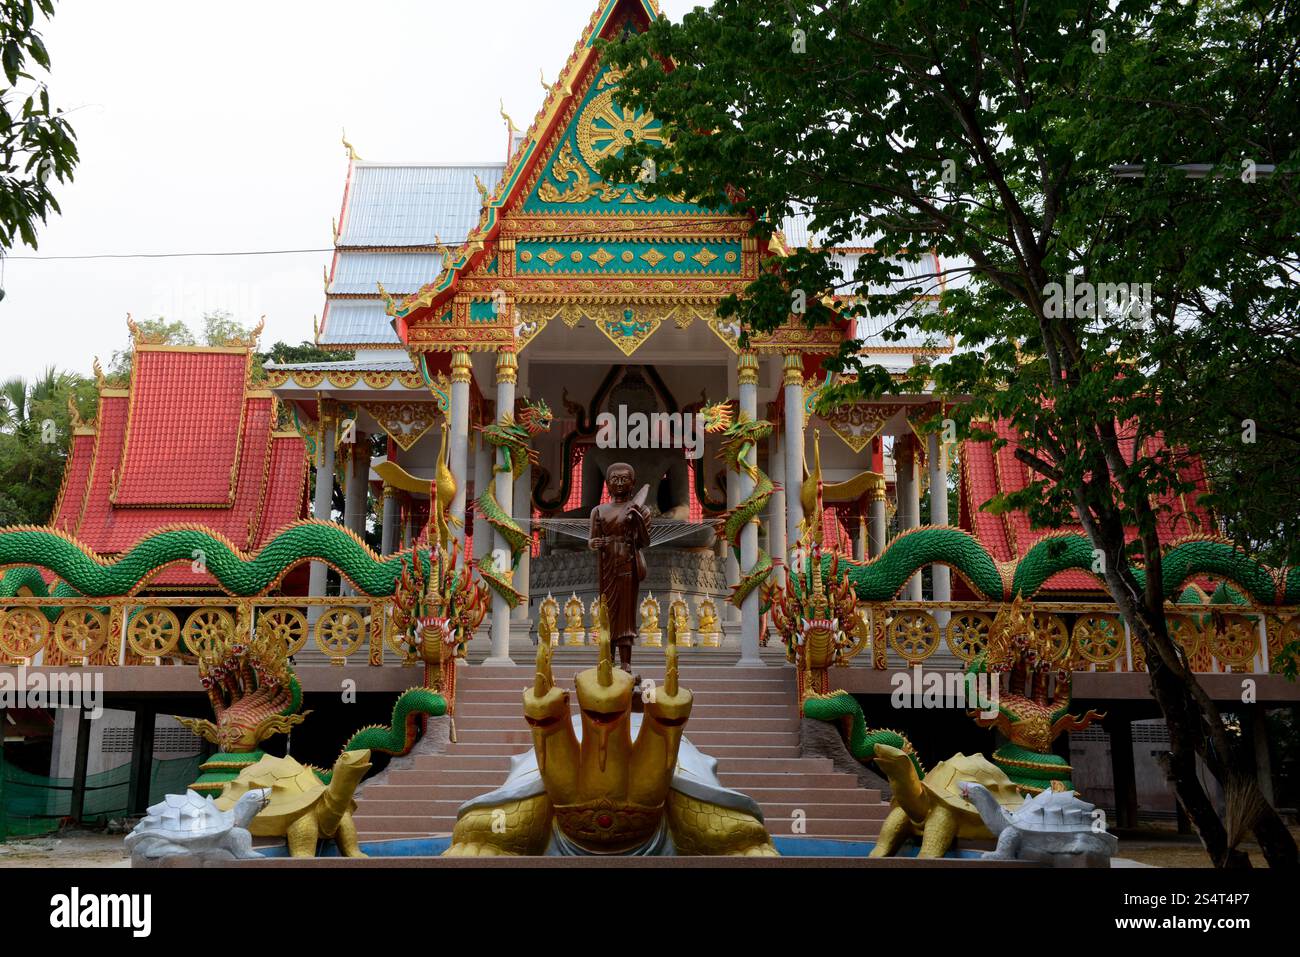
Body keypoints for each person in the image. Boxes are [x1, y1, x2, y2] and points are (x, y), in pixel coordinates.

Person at [588, 463, 650, 673]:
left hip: (627, 565)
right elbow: (592, 539)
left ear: (633, 484)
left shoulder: (641, 509)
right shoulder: (598, 511)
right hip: (607, 565)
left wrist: (638, 520)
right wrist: (594, 543)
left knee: (625, 615)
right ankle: (608, 657)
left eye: (625, 479)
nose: (620, 483)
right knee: (608, 612)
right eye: (615, 478)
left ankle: (626, 662)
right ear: (607, 483)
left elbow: (644, 541)